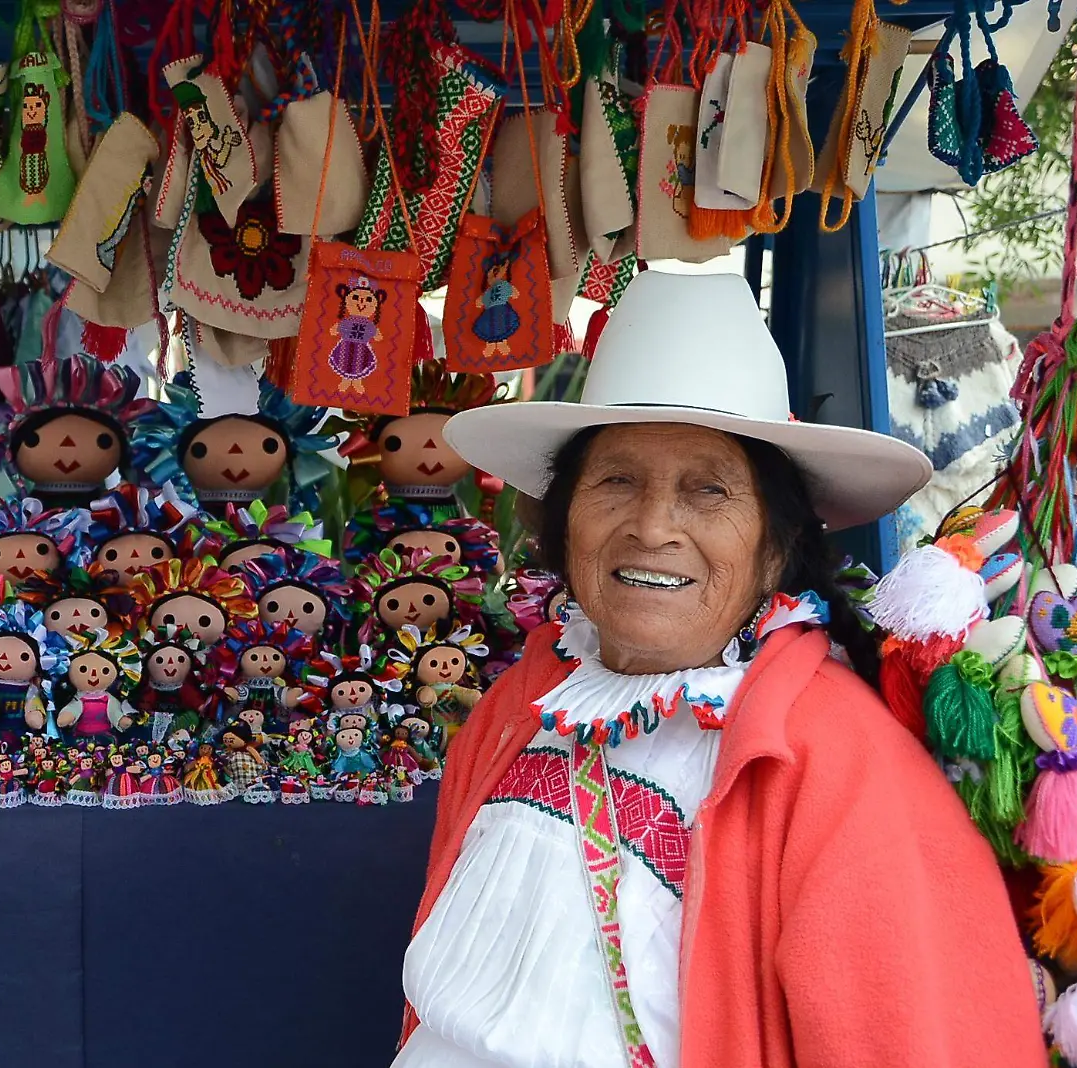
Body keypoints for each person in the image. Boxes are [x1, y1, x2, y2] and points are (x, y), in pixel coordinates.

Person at [396, 271, 1044, 1068]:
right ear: (564, 523)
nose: (653, 526)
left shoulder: (839, 762)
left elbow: (915, 1036)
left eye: (709, 491)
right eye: (617, 481)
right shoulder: (522, 705)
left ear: (776, 547)